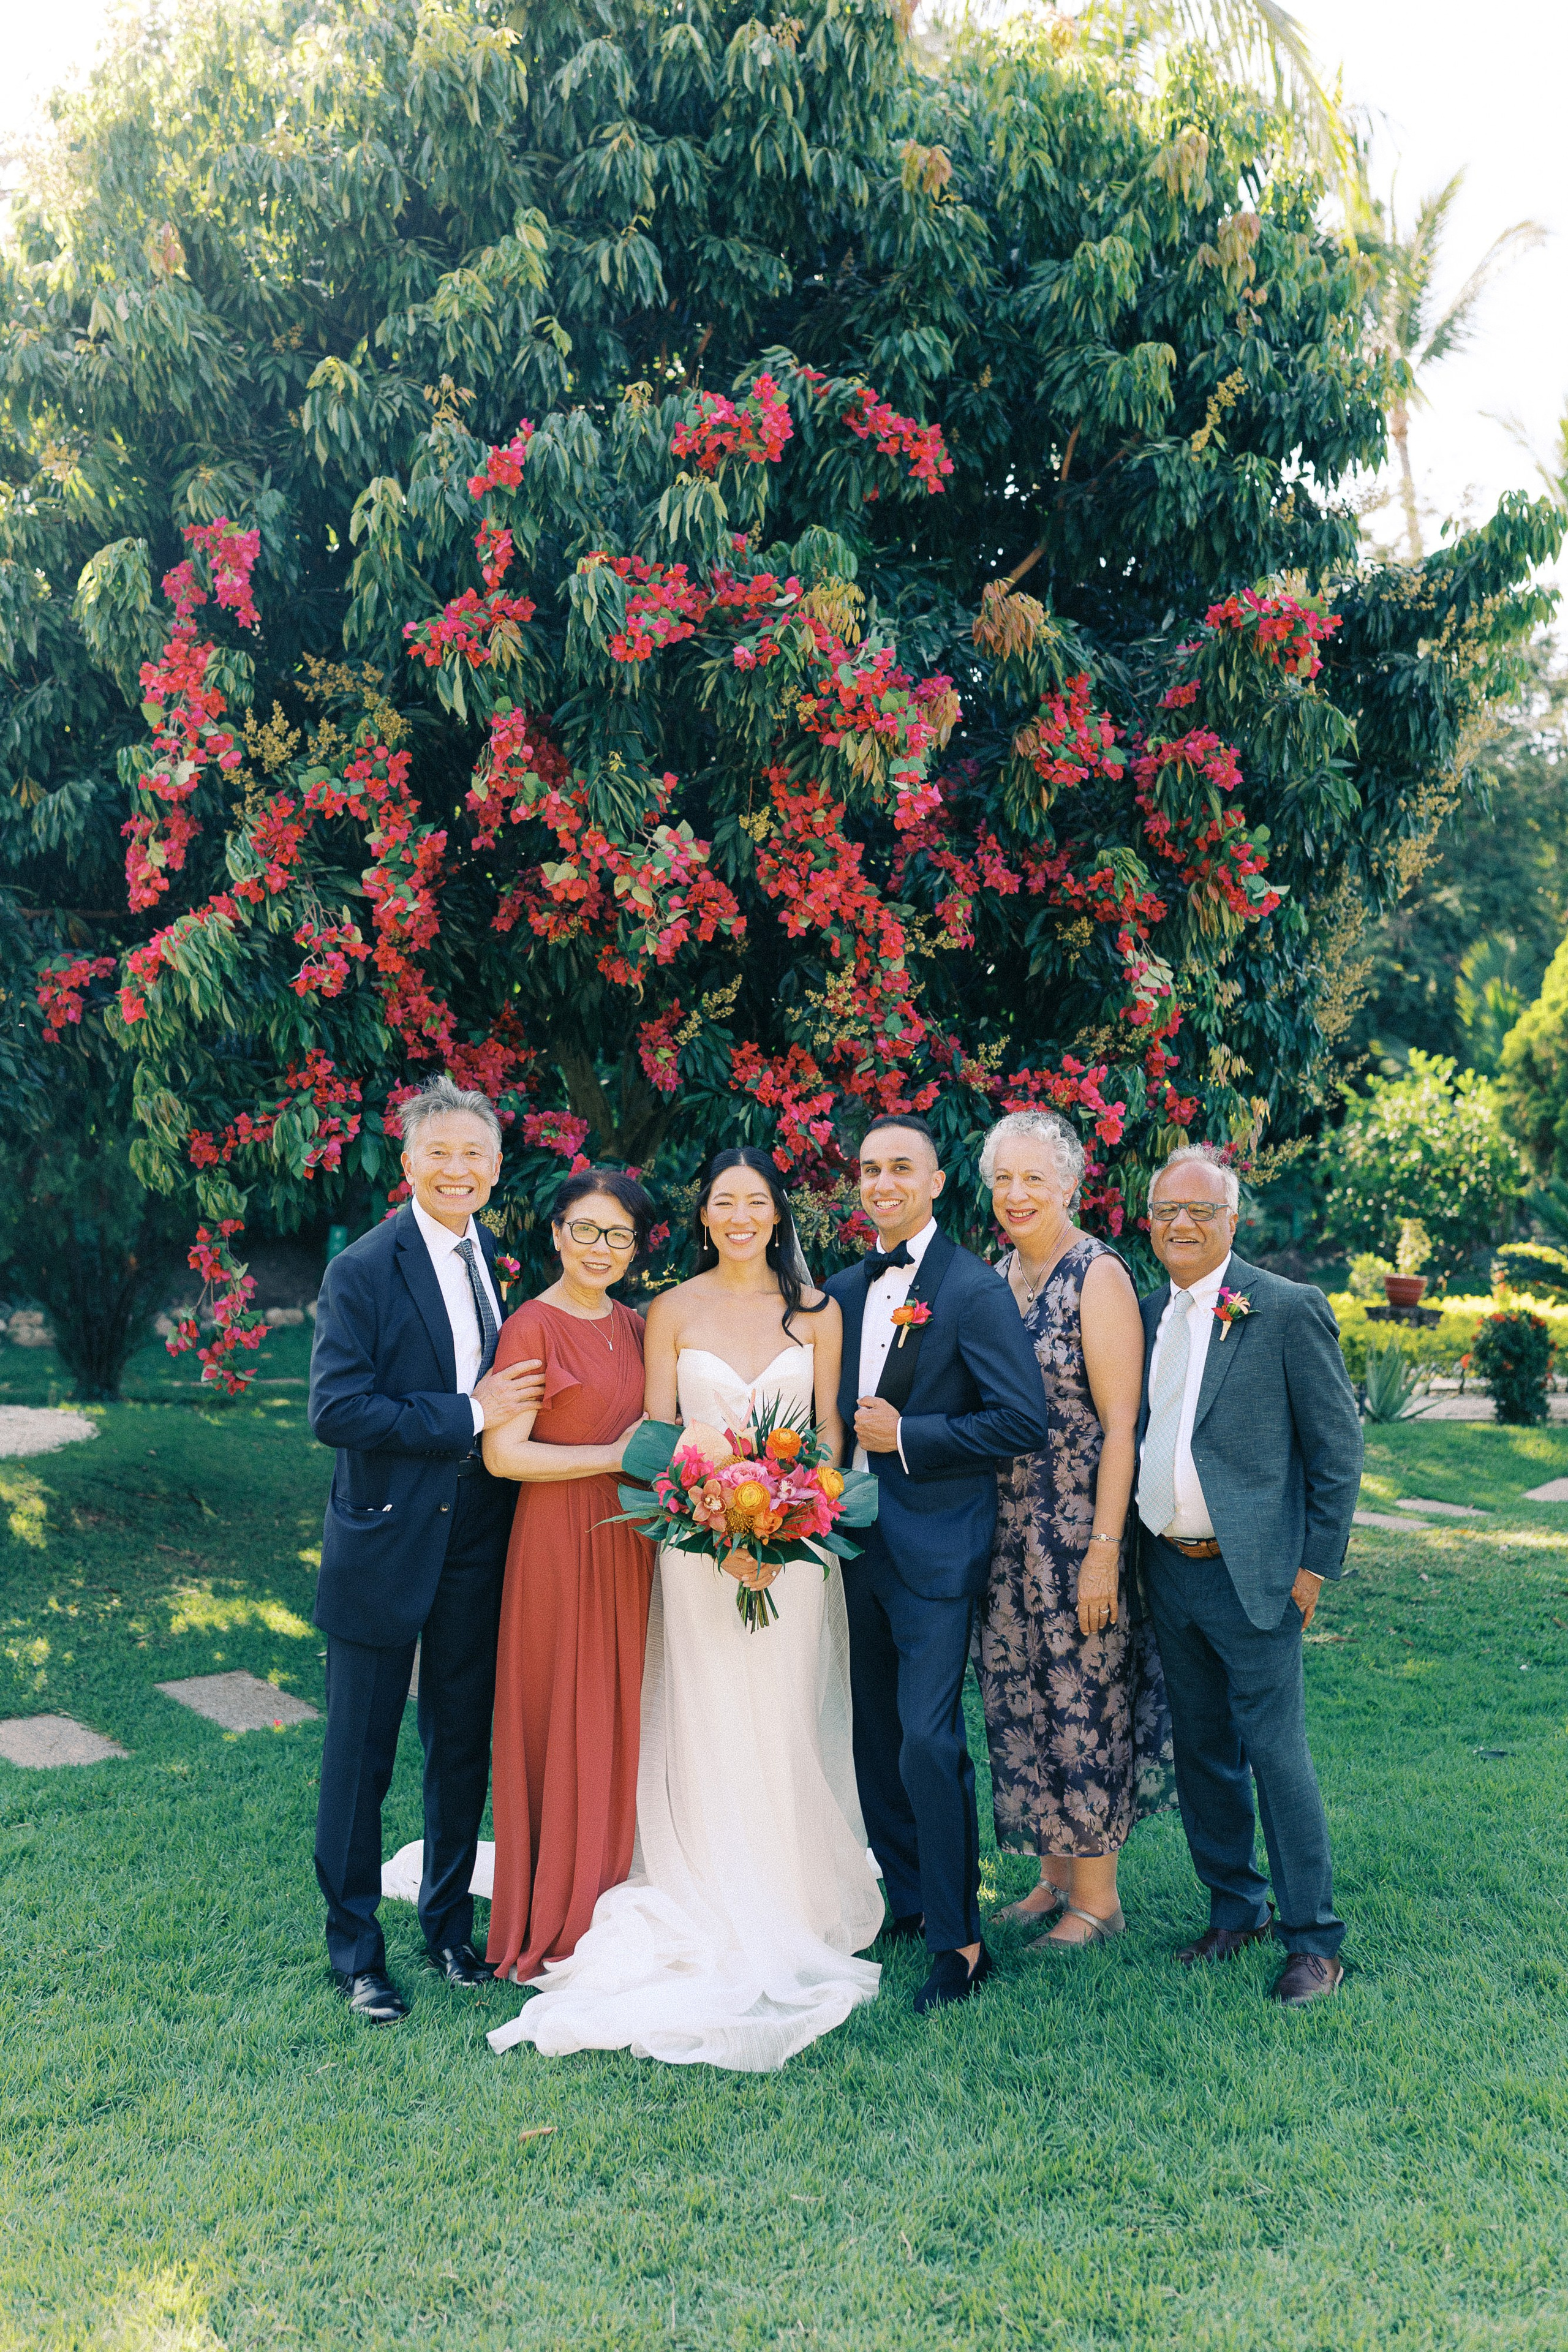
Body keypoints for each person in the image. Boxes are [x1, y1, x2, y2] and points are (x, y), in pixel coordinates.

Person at [488, 1145, 885, 2072]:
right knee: (704, 1714)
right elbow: (660, 1442)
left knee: (784, 1715)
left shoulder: (818, 1312)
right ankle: (702, 1877)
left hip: (793, 1556)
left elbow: (829, 1437)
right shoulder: (667, 1310)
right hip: (696, 1552)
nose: (740, 1217)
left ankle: (792, 1893)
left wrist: (787, 1525)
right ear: (704, 1216)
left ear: (779, 1213)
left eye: (756, 1202)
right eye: (722, 1203)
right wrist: (720, 1527)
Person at [308, 1076, 545, 2025]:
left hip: (479, 1541)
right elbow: (337, 1410)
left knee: (459, 1745)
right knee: (358, 1758)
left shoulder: (490, 1258)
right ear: (408, 1162)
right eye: (439, 1152)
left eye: (474, 1154)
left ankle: (447, 1930)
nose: (458, 1169)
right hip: (382, 1541)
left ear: (496, 1167)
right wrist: (467, 1414)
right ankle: (356, 1955)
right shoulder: (362, 1269)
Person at [825, 1114, 1050, 2016]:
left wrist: (909, 1436)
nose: (883, 1183)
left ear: (935, 1182)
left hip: (936, 1547)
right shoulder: (841, 1290)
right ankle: (911, 1899)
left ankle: (962, 1942)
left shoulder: (971, 1289)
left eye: (900, 1168)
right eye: (869, 1169)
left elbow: (1021, 1420)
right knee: (874, 1737)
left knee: (928, 1738)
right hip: (849, 1545)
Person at [1135, 1142, 1362, 2006]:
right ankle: (1236, 1909)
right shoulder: (1148, 1312)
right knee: (1202, 1752)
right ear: (1149, 1223)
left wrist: (1313, 1569)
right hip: (1169, 1569)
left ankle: (1314, 1941)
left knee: (1275, 1754)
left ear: (1232, 1221)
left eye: (1201, 1211)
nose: (1183, 1225)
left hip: (1258, 1575)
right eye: (1168, 1211)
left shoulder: (1286, 1308)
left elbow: (1338, 1451)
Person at [976, 1110, 1173, 1948]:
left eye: (1034, 1179)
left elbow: (1123, 1428)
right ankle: (1052, 1880)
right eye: (1004, 1180)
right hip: (1004, 1535)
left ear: (1069, 1185)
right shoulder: (995, 1277)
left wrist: (1103, 1552)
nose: (1017, 1195)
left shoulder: (1096, 1274)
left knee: (1085, 1699)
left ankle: (1099, 1900)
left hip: (1078, 1532)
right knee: (1024, 1700)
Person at [480, 1169, 657, 1985]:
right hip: (557, 1540)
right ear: (556, 1233)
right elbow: (504, 1454)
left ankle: (612, 1880)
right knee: (561, 1709)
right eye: (586, 1229)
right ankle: (555, 1902)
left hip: (631, 1543)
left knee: (617, 1710)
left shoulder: (638, 1325)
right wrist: (611, 1457)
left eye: (619, 1235)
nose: (600, 1248)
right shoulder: (532, 1327)